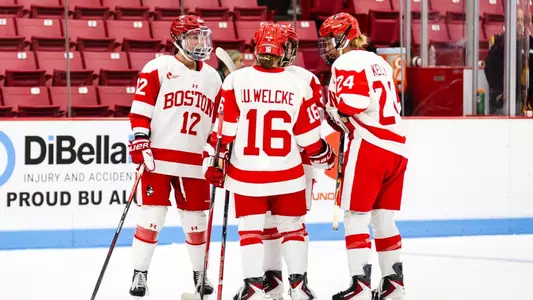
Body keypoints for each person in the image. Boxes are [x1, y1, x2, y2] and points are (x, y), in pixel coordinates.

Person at [202, 23, 336, 300]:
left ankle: (253, 286)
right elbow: (309, 139)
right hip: (288, 174)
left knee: (250, 230)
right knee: (293, 228)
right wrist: (326, 156)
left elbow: (224, 133)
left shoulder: (236, 81)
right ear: (282, 51)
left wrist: (215, 161)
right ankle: (298, 287)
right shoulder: (298, 84)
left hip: (246, 175)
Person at [127, 14, 222, 299]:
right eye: (193, 36)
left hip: (194, 160)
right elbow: (140, 109)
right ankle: (140, 274)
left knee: (196, 220)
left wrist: (216, 150)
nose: (199, 42)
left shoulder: (213, 77)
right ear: (178, 40)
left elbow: (218, 121)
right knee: (152, 216)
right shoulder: (158, 67)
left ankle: (199, 274)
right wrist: (141, 140)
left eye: (202, 36)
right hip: (158, 157)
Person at [318, 13, 408, 300]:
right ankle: (394, 285)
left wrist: (332, 109)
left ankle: (359, 287)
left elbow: (353, 103)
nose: (327, 48)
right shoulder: (378, 61)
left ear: (343, 37)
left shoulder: (346, 61)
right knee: (383, 219)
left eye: (330, 41)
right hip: (397, 148)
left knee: (356, 216)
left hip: (369, 145)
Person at [258, 23, 325, 300]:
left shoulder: (305, 78)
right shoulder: (304, 78)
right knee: (275, 224)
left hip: (287, 163)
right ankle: (281, 282)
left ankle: (292, 282)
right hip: (278, 162)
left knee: (285, 223)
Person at [484, 7, 533, 115]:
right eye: (517, 20)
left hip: (525, 103)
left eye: (522, 20)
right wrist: (499, 93)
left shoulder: (530, 42)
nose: (520, 23)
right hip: (506, 104)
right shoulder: (501, 44)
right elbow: (489, 68)